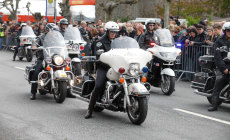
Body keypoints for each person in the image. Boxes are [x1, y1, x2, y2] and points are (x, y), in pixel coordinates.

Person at [85, 21, 119, 119]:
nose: (114, 34)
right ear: (107, 31)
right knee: (99, 85)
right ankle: (90, 110)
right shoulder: (100, 42)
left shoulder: (117, 41)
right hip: (104, 67)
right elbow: (99, 56)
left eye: (115, 32)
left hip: (116, 67)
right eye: (112, 32)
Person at [30, 23, 59, 100]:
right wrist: (34, 46)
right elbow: (35, 43)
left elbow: (62, 44)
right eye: (53, 31)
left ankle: (68, 91)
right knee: (36, 72)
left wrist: (67, 46)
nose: (54, 33)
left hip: (55, 58)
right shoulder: (41, 37)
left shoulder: (57, 38)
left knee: (66, 68)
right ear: (47, 30)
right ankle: (33, 92)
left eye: (55, 31)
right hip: (43, 58)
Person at [208, 22, 230, 111]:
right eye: (228, 30)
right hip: (223, 66)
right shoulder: (219, 40)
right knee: (219, 83)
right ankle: (214, 104)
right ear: (225, 31)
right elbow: (217, 56)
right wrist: (223, 68)